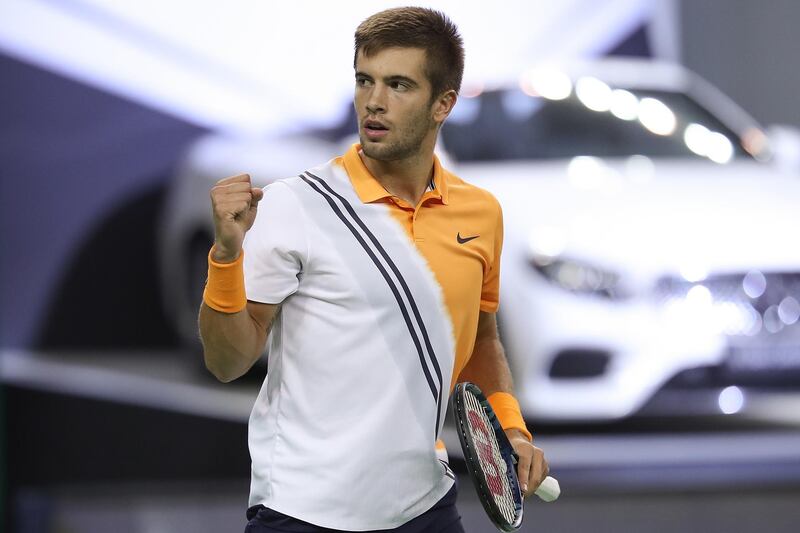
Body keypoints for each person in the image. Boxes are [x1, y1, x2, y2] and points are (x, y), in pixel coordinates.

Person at [198, 7, 550, 532]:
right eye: (365, 81)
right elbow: (227, 362)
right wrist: (226, 257)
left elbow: (478, 341)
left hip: (425, 507)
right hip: (302, 513)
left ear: (443, 104)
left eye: (399, 85)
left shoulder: (481, 213)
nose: (374, 102)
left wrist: (512, 432)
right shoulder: (294, 204)